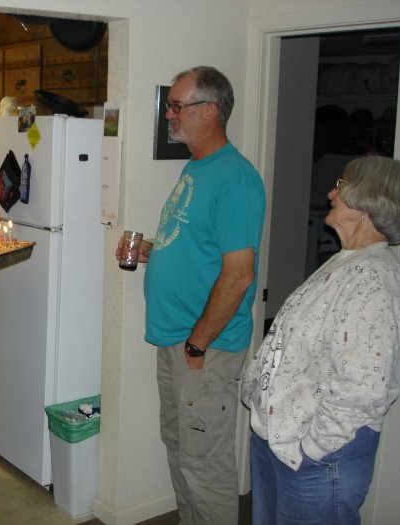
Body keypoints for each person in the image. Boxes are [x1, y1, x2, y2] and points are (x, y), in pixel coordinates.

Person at [117, 66, 266, 525]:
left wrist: (198, 344)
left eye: (178, 106)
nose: (169, 114)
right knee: (182, 451)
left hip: (205, 347)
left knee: (206, 466)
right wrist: (153, 252)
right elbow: (200, 247)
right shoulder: (197, 167)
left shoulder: (236, 179)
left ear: (211, 111)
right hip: (176, 339)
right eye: (171, 105)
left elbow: (239, 276)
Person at [242, 156, 400, 525]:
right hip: (280, 439)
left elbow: (364, 388)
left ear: (366, 203)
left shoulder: (375, 279)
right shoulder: (348, 261)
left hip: (315, 455)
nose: (331, 192)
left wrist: (313, 448)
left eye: (341, 185)